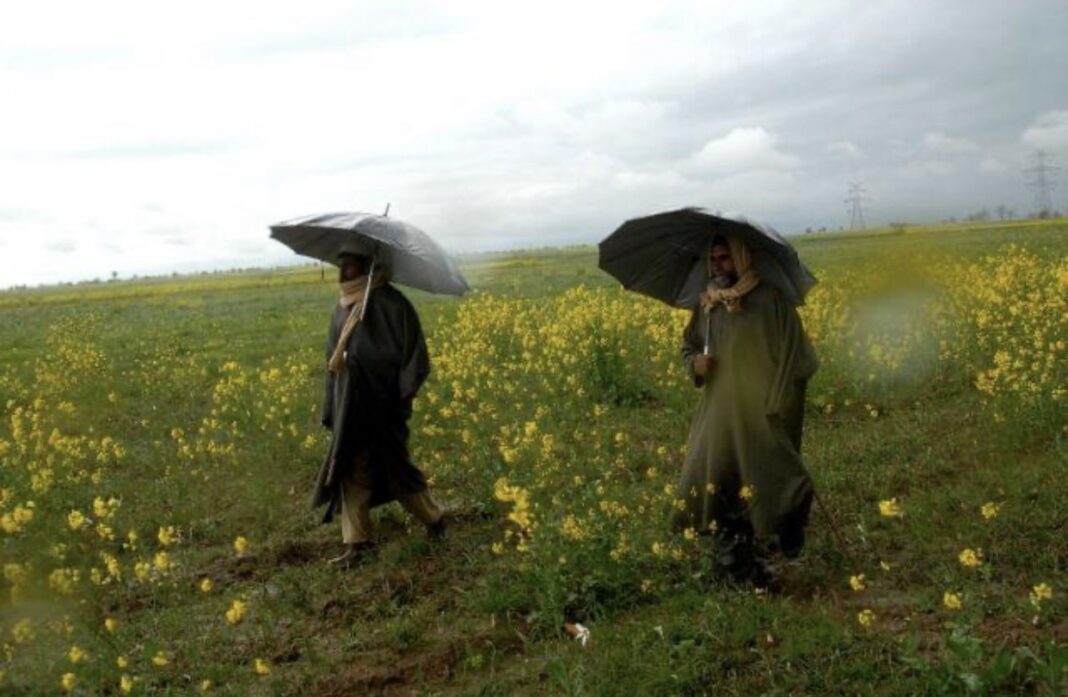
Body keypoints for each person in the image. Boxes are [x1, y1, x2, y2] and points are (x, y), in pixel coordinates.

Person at [674, 235, 818, 586]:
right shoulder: (707, 305)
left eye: (725, 258)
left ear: (741, 259)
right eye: (713, 259)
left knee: (776, 481)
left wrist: (777, 401)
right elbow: (687, 347)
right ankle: (733, 563)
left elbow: (798, 359)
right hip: (719, 411)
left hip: (760, 410)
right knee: (713, 478)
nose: (718, 265)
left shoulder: (771, 301)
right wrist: (695, 364)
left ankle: (779, 547)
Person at [312, 252, 445, 567]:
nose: (343, 270)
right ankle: (358, 545)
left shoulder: (393, 304)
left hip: (383, 407)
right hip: (350, 407)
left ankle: (436, 520)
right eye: (340, 265)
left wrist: (400, 400)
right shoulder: (340, 310)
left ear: (369, 267)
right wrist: (331, 407)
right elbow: (332, 363)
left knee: (396, 470)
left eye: (351, 265)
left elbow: (416, 359)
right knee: (351, 471)